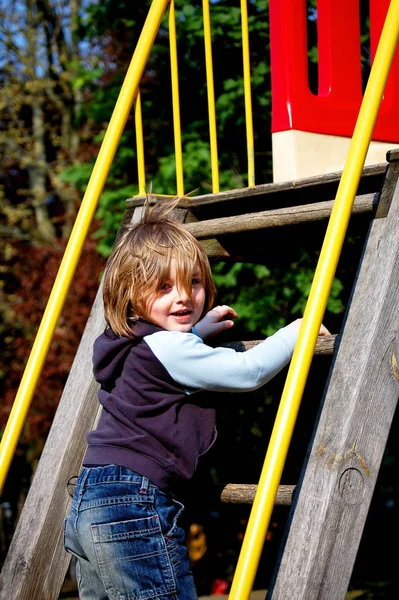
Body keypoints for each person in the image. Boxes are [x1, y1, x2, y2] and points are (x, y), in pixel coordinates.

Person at [64, 196, 329, 600]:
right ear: (130, 293)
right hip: (134, 500)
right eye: (164, 287)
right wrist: (298, 331)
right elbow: (248, 371)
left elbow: (166, 358)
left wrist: (197, 331)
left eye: (194, 283)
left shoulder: (123, 344)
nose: (183, 296)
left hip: (89, 499)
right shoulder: (171, 350)